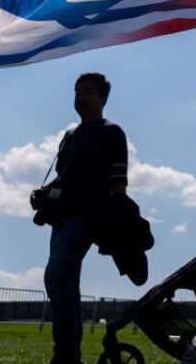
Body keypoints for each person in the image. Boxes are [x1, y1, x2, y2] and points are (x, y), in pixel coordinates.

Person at [43, 72, 129, 364]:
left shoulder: (112, 131)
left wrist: (119, 216)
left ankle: (66, 355)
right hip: (61, 216)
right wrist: (44, 192)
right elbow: (62, 177)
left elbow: (119, 183)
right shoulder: (70, 135)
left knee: (55, 275)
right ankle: (67, 354)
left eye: (88, 93)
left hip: (88, 216)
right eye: (77, 92)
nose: (80, 98)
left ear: (103, 98)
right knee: (65, 282)